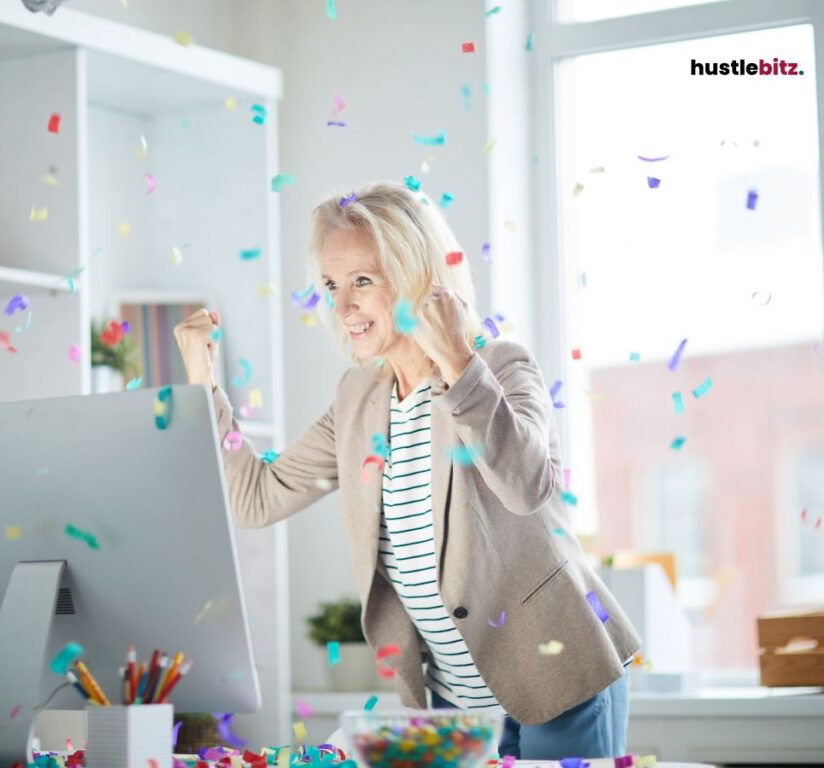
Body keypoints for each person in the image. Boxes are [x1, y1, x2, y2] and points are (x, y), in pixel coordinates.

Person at [173, 181, 641, 760]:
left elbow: (527, 486)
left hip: (559, 678)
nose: (342, 307)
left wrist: (459, 362)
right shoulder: (358, 399)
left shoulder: (498, 364)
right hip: (454, 703)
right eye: (330, 285)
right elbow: (254, 498)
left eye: (362, 282)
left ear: (417, 275)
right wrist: (203, 381)